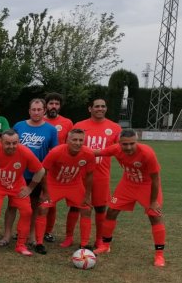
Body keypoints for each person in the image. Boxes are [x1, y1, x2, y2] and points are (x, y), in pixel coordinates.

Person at [92, 129, 166, 267]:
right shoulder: (115, 149)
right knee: (111, 211)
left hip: (147, 185)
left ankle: (159, 255)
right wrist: (74, 148)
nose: (129, 147)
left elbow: (155, 180)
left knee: (155, 216)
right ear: (119, 143)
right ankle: (105, 245)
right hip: (127, 184)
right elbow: (97, 152)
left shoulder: (147, 153)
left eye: (132, 143)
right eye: (125, 144)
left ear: (137, 142)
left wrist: (153, 201)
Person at [0, 98, 58, 249]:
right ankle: (7, 235)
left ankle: (31, 235)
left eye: (39, 110)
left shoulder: (51, 130)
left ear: (44, 111)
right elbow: (9, 145)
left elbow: (54, 154)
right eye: (33, 109)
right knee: (12, 205)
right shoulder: (19, 126)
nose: (36, 112)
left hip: (37, 175)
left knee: (33, 206)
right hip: (18, 173)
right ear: (29, 111)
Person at [0, 130, 46, 256]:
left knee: (27, 212)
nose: (11, 146)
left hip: (17, 185)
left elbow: (41, 170)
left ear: (19, 142)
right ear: (1, 142)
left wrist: (30, 188)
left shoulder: (25, 152)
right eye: (7, 143)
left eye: (14, 143)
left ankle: (21, 245)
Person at [35, 128, 95, 251]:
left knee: (87, 209)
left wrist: (87, 195)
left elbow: (90, 175)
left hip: (74, 184)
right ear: (68, 140)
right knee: (43, 208)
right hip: (54, 184)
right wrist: (45, 192)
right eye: (74, 140)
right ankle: (39, 243)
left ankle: (83, 244)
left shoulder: (88, 153)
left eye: (81, 140)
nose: (78, 143)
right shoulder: (56, 152)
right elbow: (43, 171)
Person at [73, 97, 121, 247]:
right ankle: (80, 241)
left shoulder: (114, 128)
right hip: (81, 174)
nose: (100, 109)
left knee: (101, 208)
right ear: (90, 109)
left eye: (103, 106)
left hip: (102, 175)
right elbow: (71, 145)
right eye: (97, 106)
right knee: (82, 207)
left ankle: (99, 239)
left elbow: (120, 148)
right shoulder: (79, 125)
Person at [41, 92, 75, 242]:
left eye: (56, 104)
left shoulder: (67, 123)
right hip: (38, 166)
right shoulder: (39, 120)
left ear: (60, 106)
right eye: (51, 103)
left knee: (51, 202)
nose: (53, 106)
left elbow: (71, 145)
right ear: (46, 106)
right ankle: (30, 229)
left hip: (57, 169)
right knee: (33, 200)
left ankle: (47, 231)